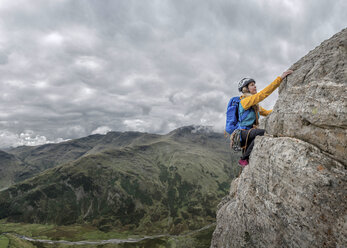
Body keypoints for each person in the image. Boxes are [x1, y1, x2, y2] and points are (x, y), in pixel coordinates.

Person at [237, 70, 293, 166]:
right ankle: (243, 158)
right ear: (245, 89)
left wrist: (282, 108)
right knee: (264, 132)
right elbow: (263, 94)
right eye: (251, 85)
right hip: (243, 133)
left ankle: (245, 160)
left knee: (250, 159)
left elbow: (267, 113)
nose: (255, 86)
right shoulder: (244, 101)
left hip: (248, 133)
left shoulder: (254, 105)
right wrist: (280, 79)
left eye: (254, 84)